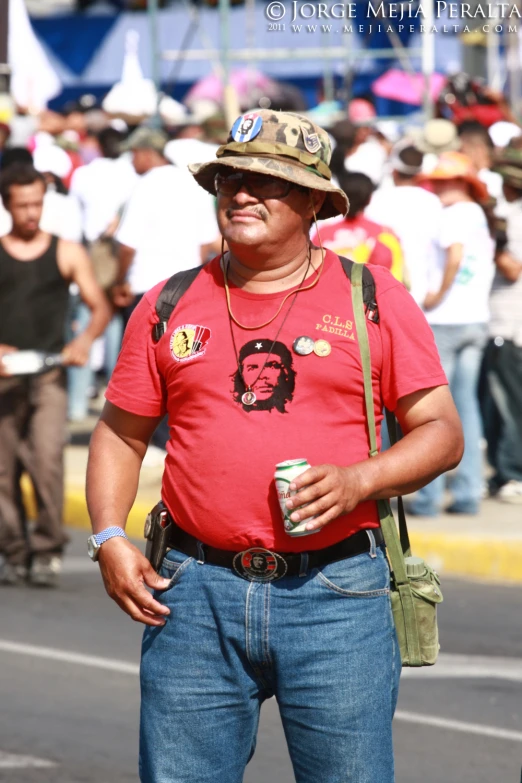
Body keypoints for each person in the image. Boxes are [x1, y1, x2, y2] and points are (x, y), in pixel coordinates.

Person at [86, 110, 463, 783]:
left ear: (316, 201)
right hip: (192, 594)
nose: (241, 193)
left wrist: (359, 480)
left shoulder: (369, 296)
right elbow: (120, 431)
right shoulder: (168, 301)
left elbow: (441, 431)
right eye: (231, 177)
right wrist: (110, 536)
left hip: (336, 595)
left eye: (269, 182)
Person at [0, 164, 110, 586]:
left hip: (48, 374)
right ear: (8, 205)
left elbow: (98, 305)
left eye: (37, 204)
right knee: (4, 467)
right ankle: (13, 549)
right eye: (22, 205)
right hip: (6, 376)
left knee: (46, 460)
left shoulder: (65, 251)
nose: (31, 213)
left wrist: (83, 341)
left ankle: (46, 549)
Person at [408, 152, 495, 517]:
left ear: (462, 182)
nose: (438, 185)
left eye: (445, 180)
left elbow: (455, 256)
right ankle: (468, 493)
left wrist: (435, 296)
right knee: (467, 408)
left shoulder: (456, 214)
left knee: (430, 414)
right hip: (475, 319)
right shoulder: (477, 213)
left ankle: (428, 499)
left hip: (446, 320)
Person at [111, 126, 220, 325]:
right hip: (186, 291)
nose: (132, 161)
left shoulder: (144, 185)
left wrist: (118, 282)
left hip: (146, 290)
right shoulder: (193, 184)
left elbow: (127, 246)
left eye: (133, 154)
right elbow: (205, 242)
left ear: (147, 153)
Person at [481, 151, 522, 502]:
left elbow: (512, 269)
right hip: (499, 321)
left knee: (508, 403)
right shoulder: (508, 213)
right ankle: (501, 472)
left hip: (511, 323)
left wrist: (492, 246)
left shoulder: (517, 218)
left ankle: (512, 473)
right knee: (494, 404)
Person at [366, 141, 443, 305]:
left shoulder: (376, 200)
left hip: (383, 290)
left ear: (394, 171)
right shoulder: (434, 202)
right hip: (426, 291)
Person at [312, 169, 404, 282]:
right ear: (369, 199)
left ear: (341, 195)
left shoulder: (323, 233)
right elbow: (393, 278)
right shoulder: (385, 235)